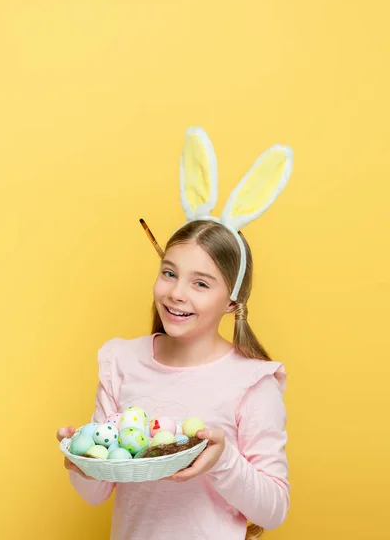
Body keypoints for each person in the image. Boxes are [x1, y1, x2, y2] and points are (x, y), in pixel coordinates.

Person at [57, 128, 294, 540]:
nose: (176, 293)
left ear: (232, 301)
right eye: (169, 273)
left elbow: (273, 510)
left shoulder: (251, 381)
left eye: (201, 283)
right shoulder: (122, 362)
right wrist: (83, 461)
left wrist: (222, 460)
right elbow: (96, 494)